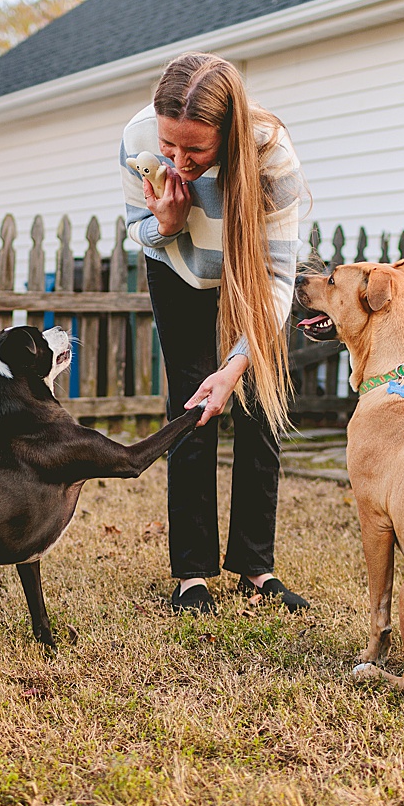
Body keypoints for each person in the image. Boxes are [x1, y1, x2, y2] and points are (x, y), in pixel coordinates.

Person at [120, 52, 310, 615]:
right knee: (192, 411)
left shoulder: (270, 153)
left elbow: (278, 280)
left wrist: (236, 366)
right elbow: (139, 230)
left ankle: (256, 566)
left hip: (251, 276)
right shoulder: (137, 137)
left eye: (195, 150)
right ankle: (191, 575)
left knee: (258, 411)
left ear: (228, 133)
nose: (177, 162)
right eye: (169, 145)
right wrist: (168, 224)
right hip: (179, 270)